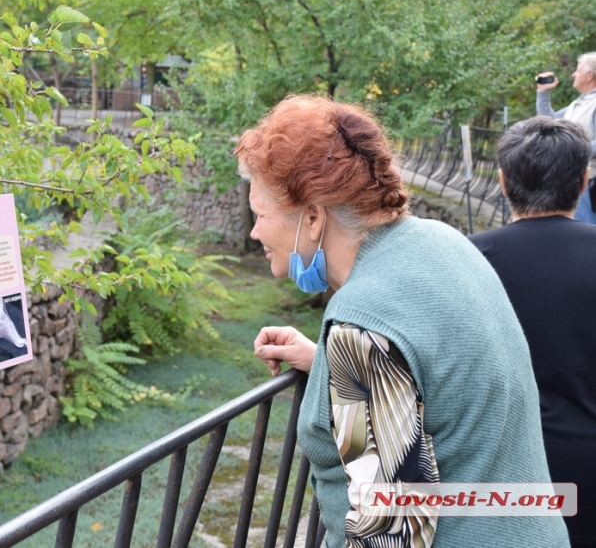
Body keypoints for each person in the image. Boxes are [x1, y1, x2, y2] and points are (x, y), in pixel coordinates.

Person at [233, 94, 568, 547]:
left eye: (261, 214)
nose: (254, 232)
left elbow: (391, 532)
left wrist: (351, 351)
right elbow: (439, 377)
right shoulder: (442, 241)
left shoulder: (365, 324)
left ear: (312, 217)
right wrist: (330, 364)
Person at [469, 116, 596, 547]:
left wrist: (323, 358)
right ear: (583, 183)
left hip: (499, 476)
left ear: (502, 183)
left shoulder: (466, 261)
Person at [535, 52, 596, 224]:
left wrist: (568, 149)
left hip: (590, 185)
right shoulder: (580, 102)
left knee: (587, 239)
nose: (573, 74)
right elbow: (549, 121)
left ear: (590, 76)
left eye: (578, 70)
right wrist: (543, 92)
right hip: (574, 181)